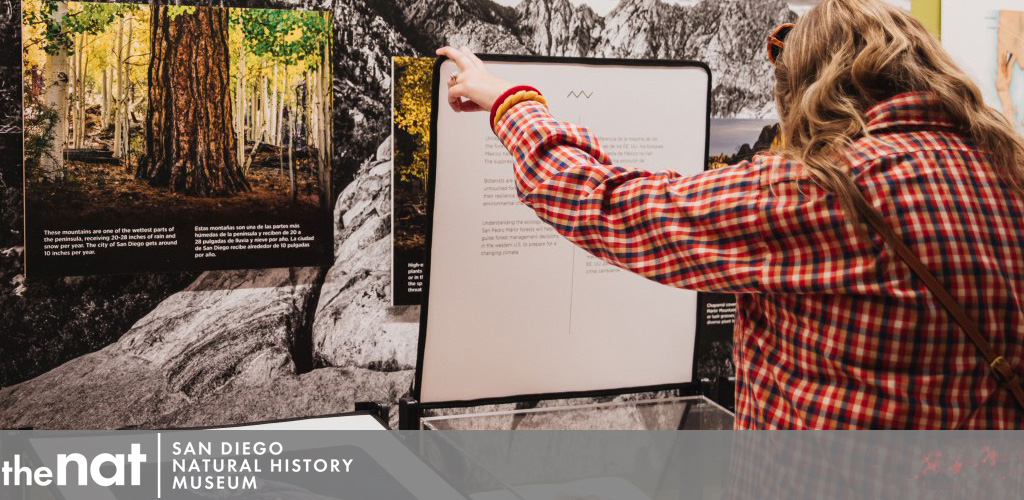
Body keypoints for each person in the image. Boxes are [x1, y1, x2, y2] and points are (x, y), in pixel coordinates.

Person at [436, 0, 1024, 429]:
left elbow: (606, 204)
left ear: (816, 83)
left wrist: (509, 101)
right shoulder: (1008, 171)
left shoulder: (824, 190)